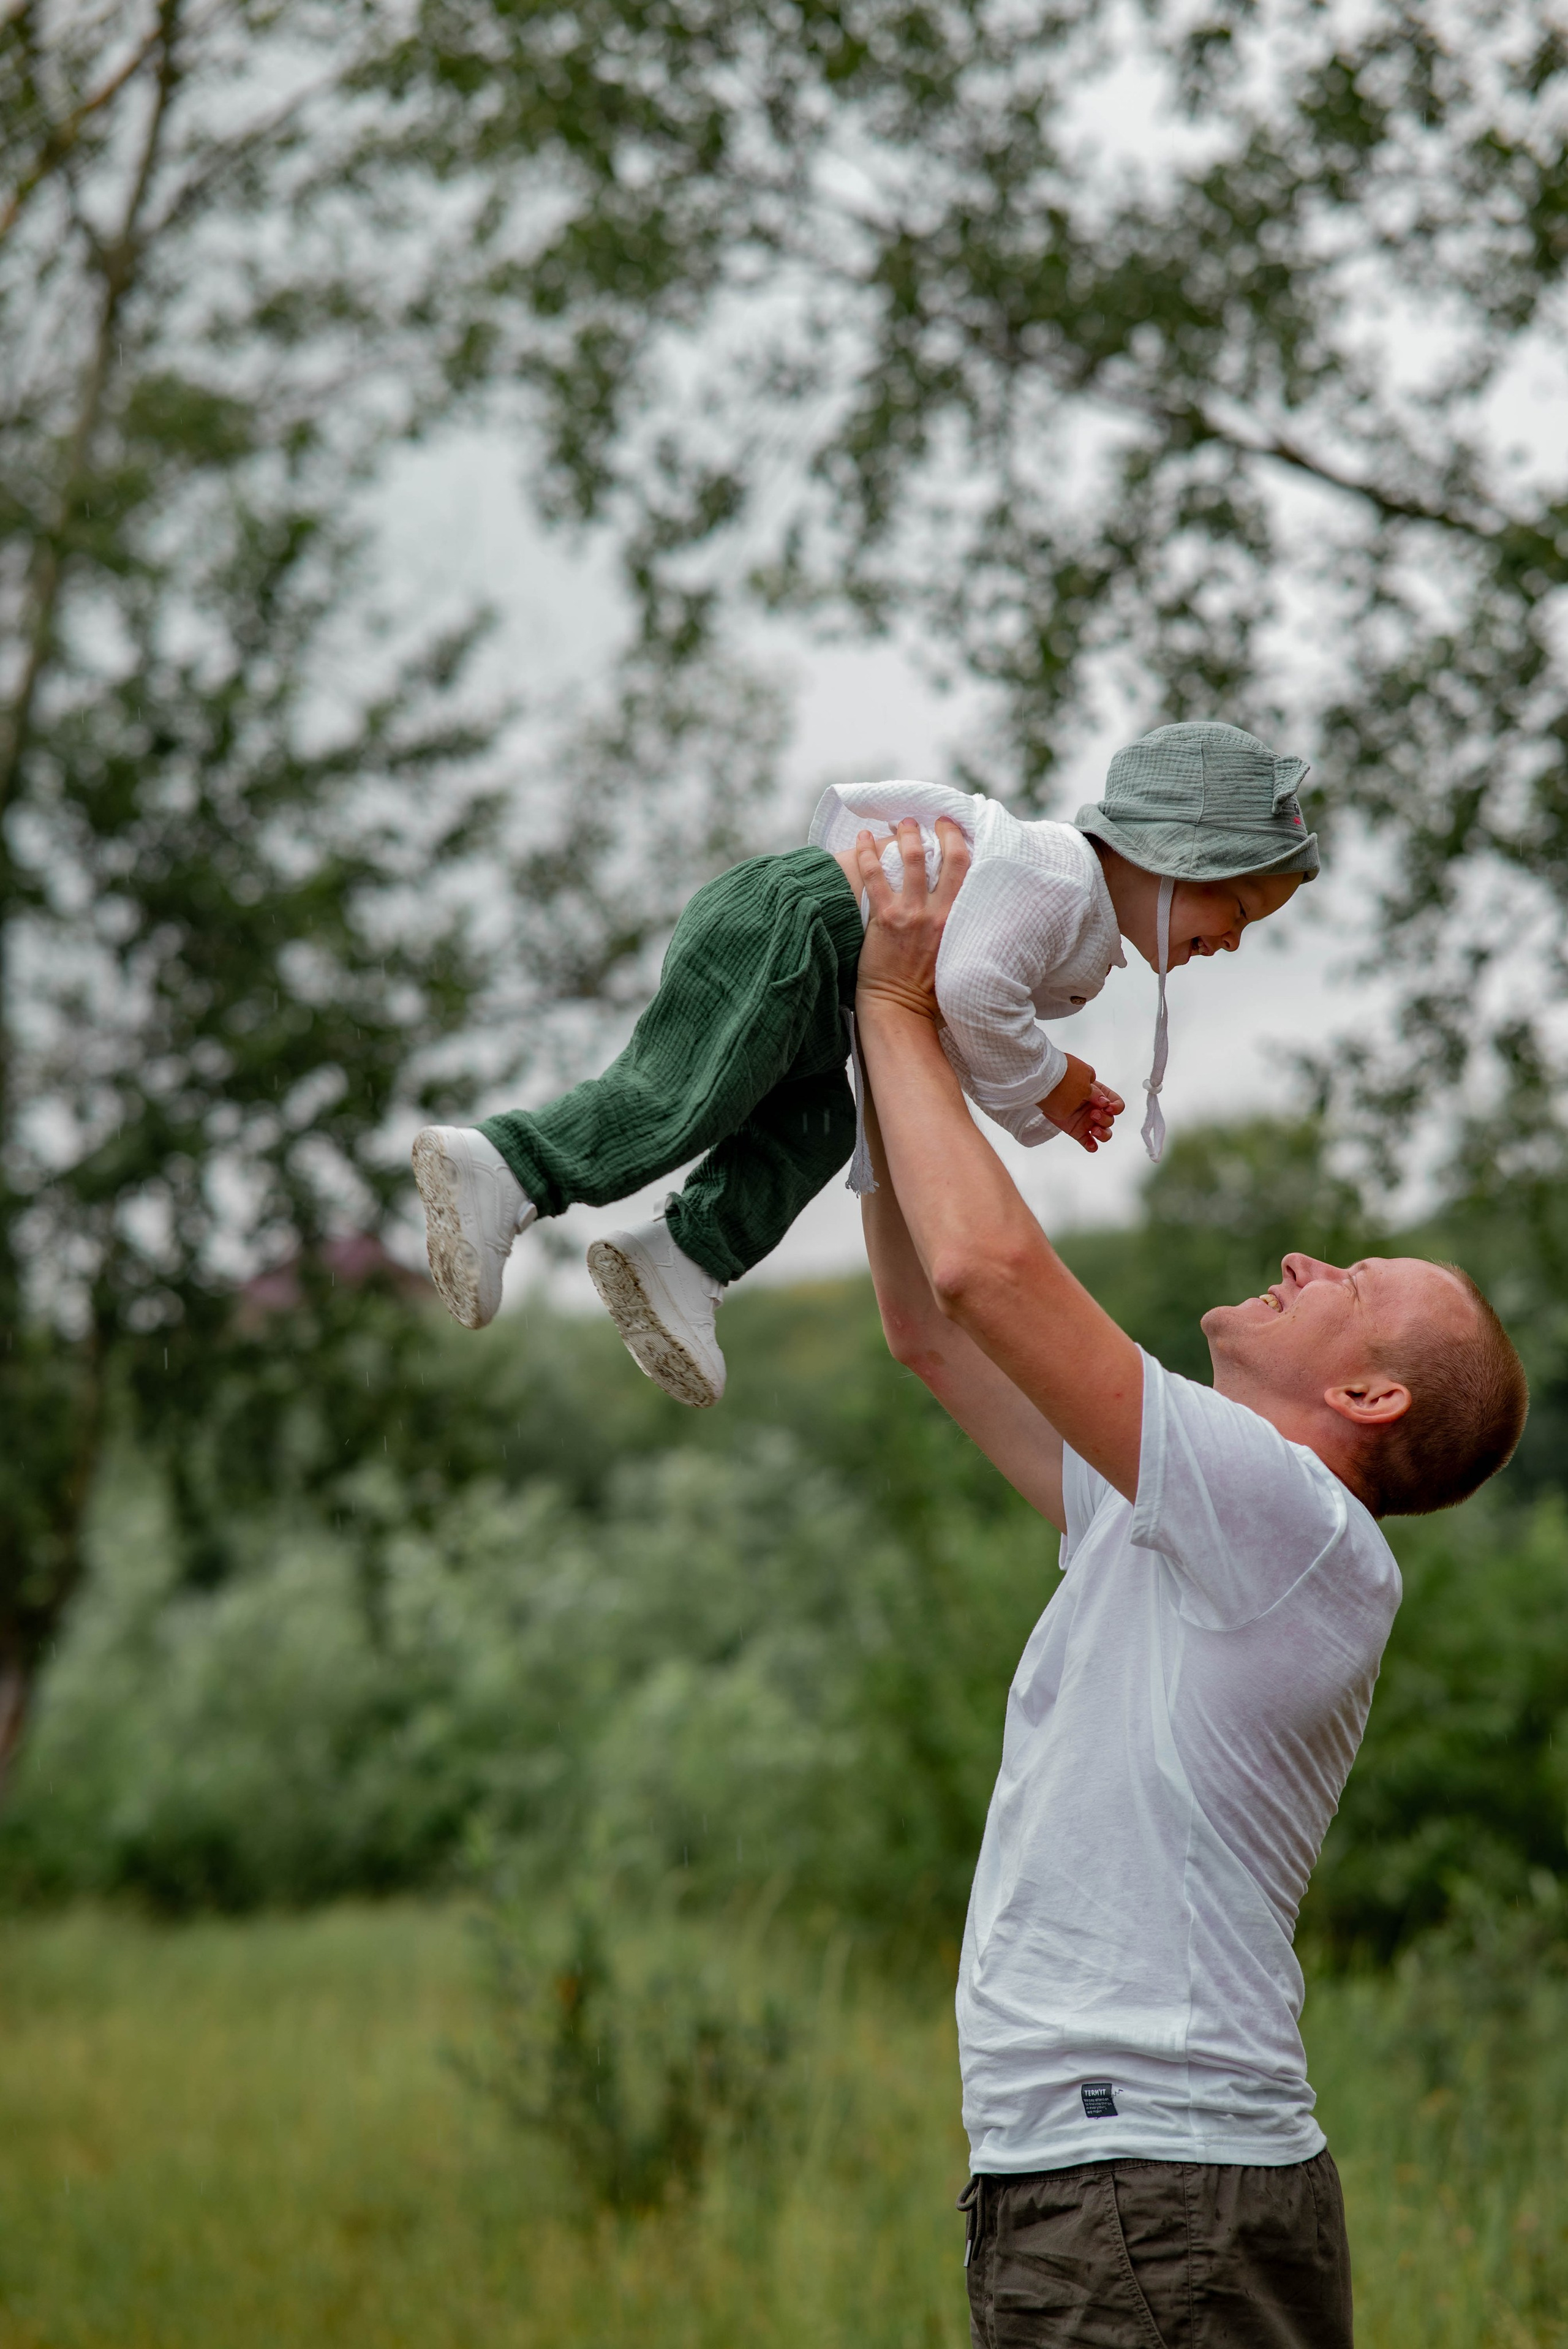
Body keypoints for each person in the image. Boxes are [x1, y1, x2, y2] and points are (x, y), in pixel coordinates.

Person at [850, 813, 1528, 2349]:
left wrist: (903, 1009)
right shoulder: (1181, 1514)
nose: (1300, 1263)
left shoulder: (1284, 1518)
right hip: (1119, 2182)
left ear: (1367, 1405)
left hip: (1146, 2187)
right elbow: (930, 1332)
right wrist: (881, 1047)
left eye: (1340, 1287)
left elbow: (987, 1275)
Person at [411, 721, 1315, 1406]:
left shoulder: (1075, 916)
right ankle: (507, 1165)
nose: (1231, 941)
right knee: (684, 1096)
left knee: (818, 1126)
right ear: (1171, 857)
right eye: (1233, 907)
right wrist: (1049, 1083)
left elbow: (936, 1022)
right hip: (792, 929)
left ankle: (682, 1258)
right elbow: (969, 991)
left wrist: (1038, 1093)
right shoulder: (1054, 876)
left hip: (826, 993)